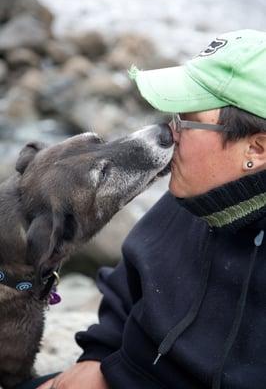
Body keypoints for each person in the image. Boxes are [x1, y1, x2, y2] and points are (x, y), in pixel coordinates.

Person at [20, 29, 266, 389]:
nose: (169, 131)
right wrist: (97, 358)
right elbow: (127, 285)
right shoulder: (196, 196)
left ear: (256, 149)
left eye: (186, 118)